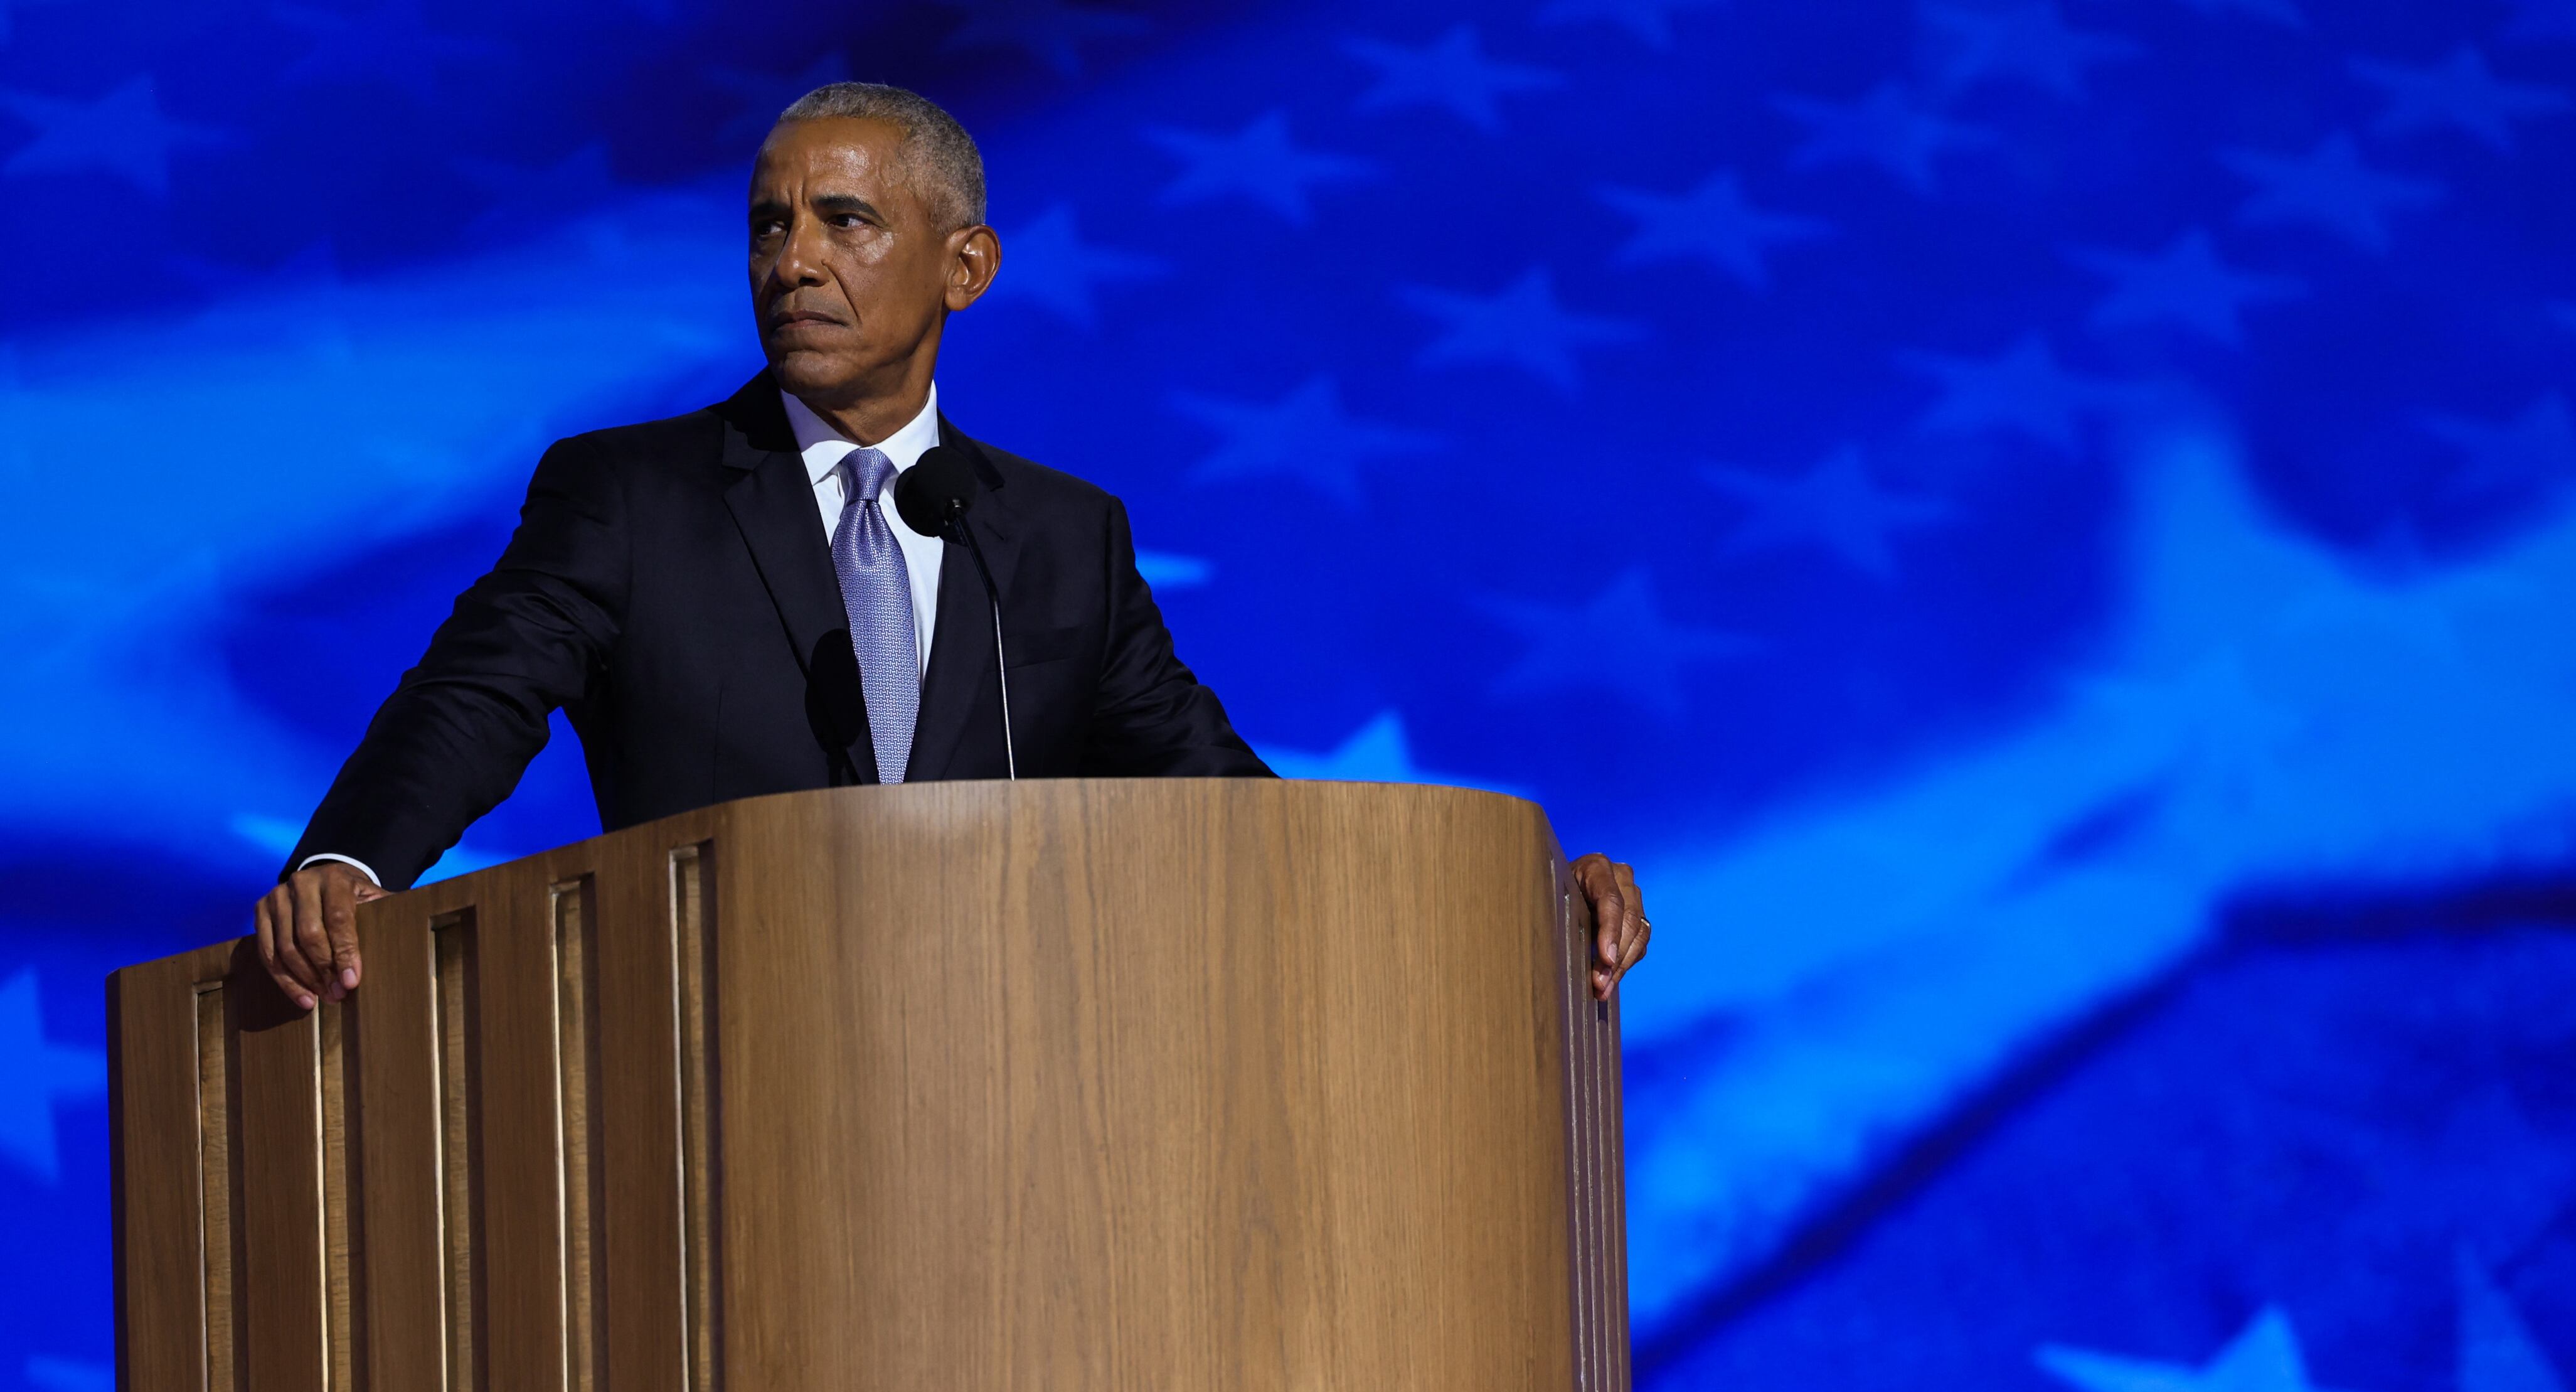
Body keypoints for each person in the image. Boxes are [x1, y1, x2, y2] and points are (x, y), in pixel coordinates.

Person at [254, 82, 1652, 1010]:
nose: (792, 259)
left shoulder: (1055, 539)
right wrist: (354, 864)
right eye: (769, 225)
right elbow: (481, 691)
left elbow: (1240, 818)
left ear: (963, 267)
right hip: (707, 1074)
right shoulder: (632, 494)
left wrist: (1518, 918)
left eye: (844, 220)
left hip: (1011, 1112)